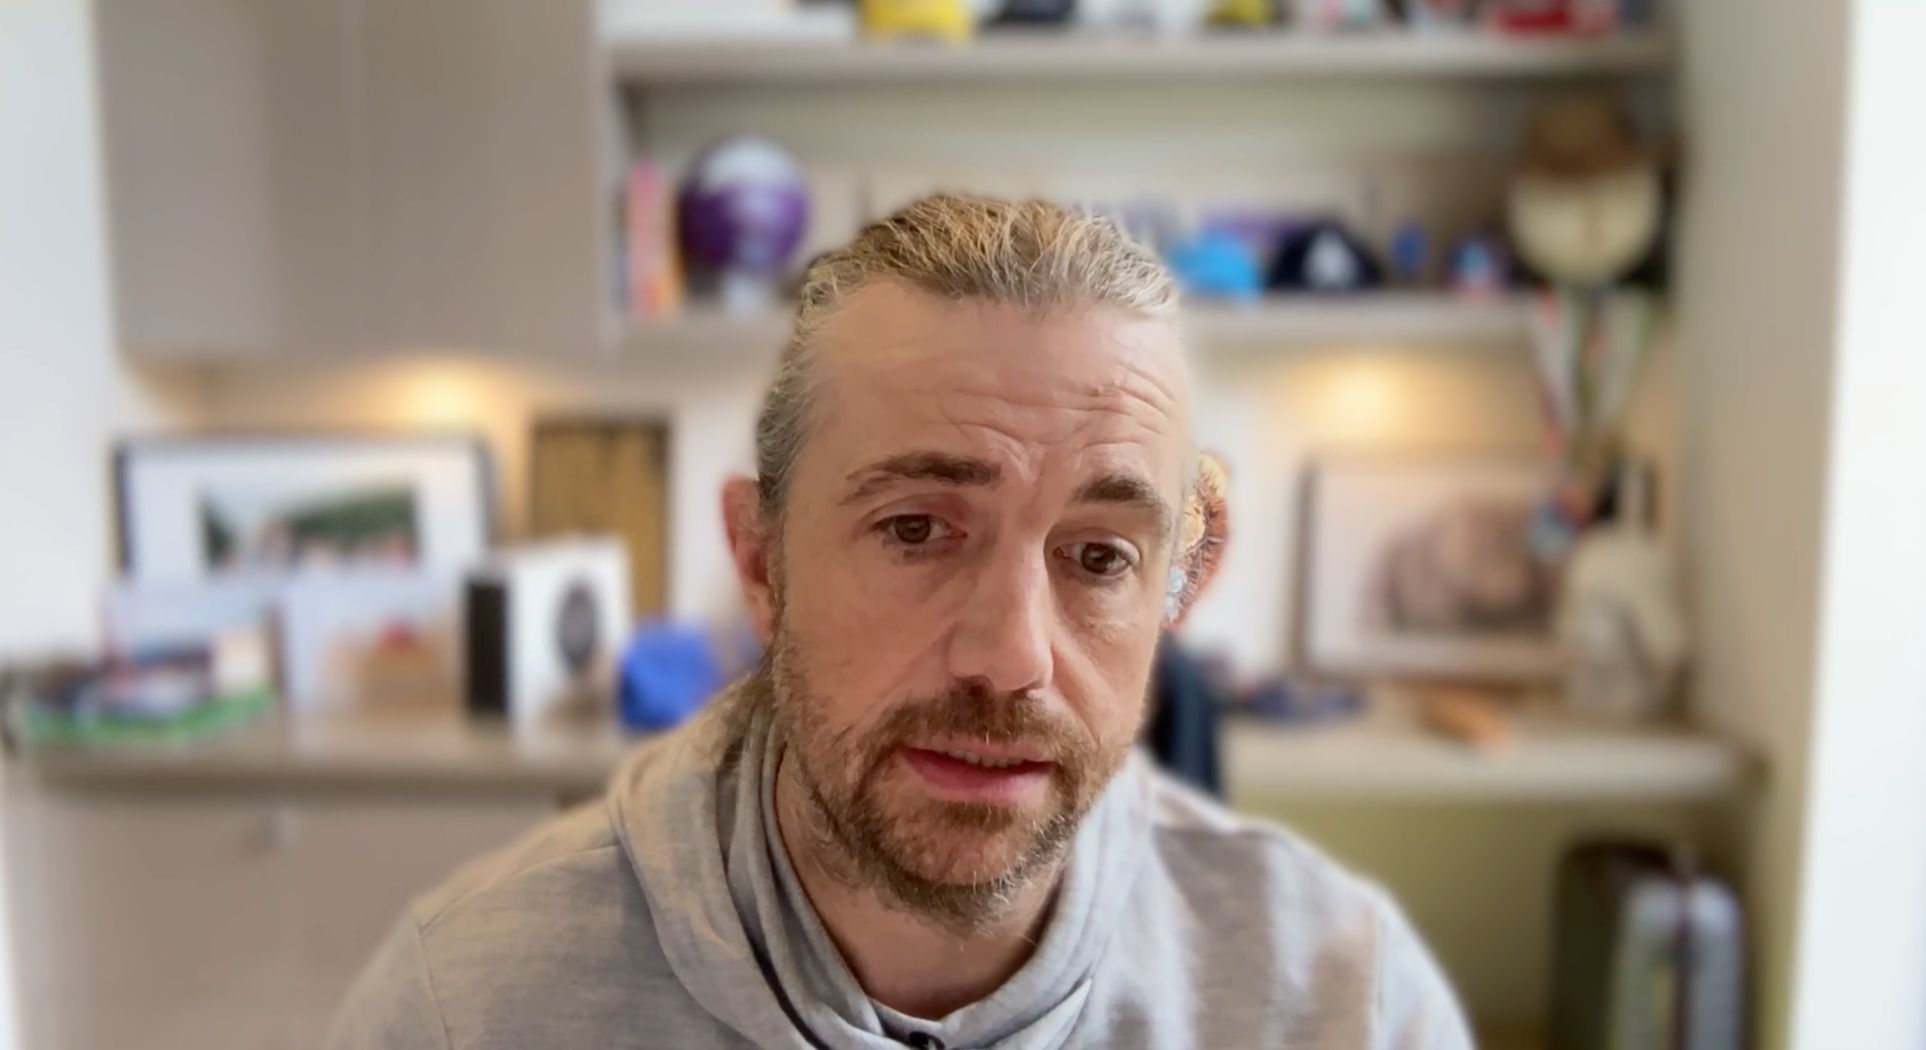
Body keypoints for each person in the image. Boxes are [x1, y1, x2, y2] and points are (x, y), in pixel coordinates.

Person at [328, 194, 1473, 1049]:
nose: (1009, 657)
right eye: (916, 530)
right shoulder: (468, 1008)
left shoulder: (1341, 1002)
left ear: (1178, 585)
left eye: (1098, 557)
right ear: (760, 562)